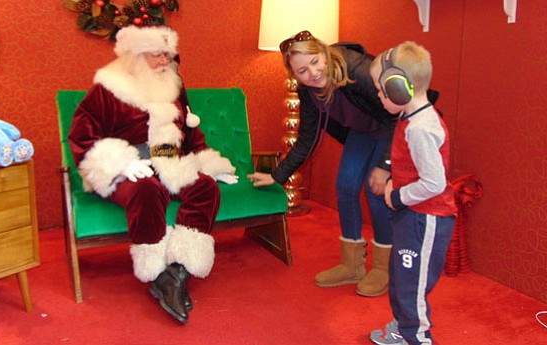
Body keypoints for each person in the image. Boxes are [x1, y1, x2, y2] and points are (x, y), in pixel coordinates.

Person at [68, 25, 238, 325]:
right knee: (147, 190)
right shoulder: (107, 88)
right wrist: (120, 164)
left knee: (206, 188)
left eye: (167, 55)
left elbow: (189, 129)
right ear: (135, 56)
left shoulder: (173, 83)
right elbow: (82, 137)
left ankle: (176, 273)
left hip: (168, 161)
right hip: (127, 168)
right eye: (156, 56)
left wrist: (208, 163)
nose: (164, 62)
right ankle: (157, 271)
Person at [247, 30, 400, 297]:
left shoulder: (357, 68)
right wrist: (277, 176)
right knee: (345, 186)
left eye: (316, 61)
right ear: (294, 75)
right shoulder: (308, 92)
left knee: (375, 191)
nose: (313, 73)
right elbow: (306, 140)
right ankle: (352, 265)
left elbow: (398, 113)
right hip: (363, 132)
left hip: (391, 127)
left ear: (324, 52)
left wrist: (385, 165)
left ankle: (383, 267)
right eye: (302, 70)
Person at [368, 41, 457, 345]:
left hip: (426, 218)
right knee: (401, 277)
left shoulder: (420, 127)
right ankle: (403, 326)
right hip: (413, 215)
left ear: (398, 88)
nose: (379, 97)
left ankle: (415, 337)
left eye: (381, 91)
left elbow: (435, 182)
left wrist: (396, 197)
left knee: (412, 285)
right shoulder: (410, 117)